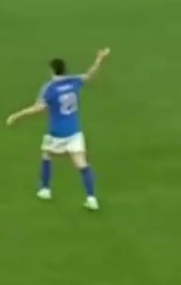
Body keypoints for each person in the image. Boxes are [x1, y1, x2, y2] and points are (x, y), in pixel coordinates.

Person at [7, 48, 111, 210]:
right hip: (75, 131)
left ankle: (45, 189)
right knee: (82, 164)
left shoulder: (49, 88)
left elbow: (39, 108)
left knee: (47, 154)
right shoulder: (73, 81)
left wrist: (17, 115)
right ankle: (91, 198)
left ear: (52, 70)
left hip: (57, 133)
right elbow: (90, 75)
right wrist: (100, 59)